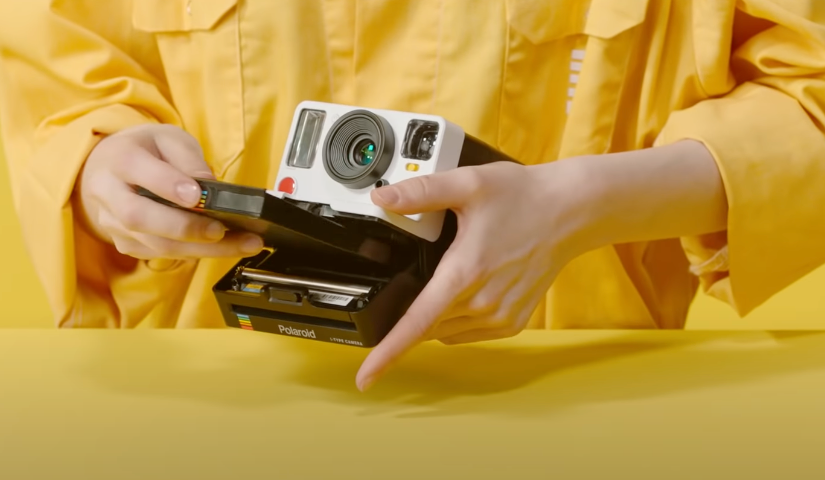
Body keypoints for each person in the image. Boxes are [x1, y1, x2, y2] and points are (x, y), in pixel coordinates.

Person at [1, 1, 824, 391]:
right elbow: (45, 72)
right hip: (216, 395)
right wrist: (102, 167)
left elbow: (808, 101)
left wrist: (582, 201)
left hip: (560, 399)